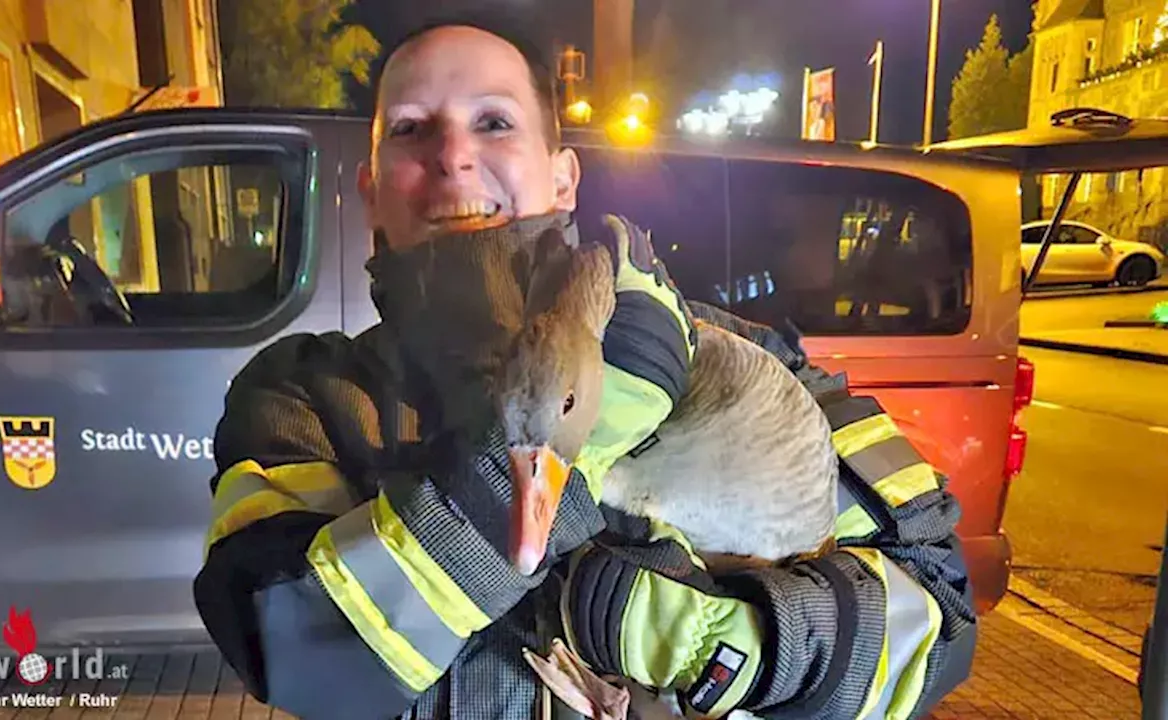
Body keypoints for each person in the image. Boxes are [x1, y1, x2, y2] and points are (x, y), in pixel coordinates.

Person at [193, 14, 977, 720]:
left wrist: (731, 647)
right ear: (370, 192)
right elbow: (294, 650)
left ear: (564, 176)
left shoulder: (745, 360)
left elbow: (937, 617)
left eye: (493, 122)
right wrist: (555, 455)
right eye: (410, 129)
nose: (453, 155)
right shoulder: (306, 399)